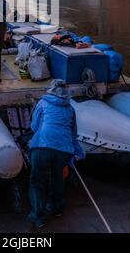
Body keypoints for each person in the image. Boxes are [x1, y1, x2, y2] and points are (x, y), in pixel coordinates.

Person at [28, 81, 84, 228]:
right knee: (58, 178)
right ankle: (57, 209)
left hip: (43, 145)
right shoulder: (70, 109)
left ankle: (38, 217)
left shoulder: (42, 103)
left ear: (51, 91)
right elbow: (74, 133)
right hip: (64, 149)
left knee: (37, 181)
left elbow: (34, 126)